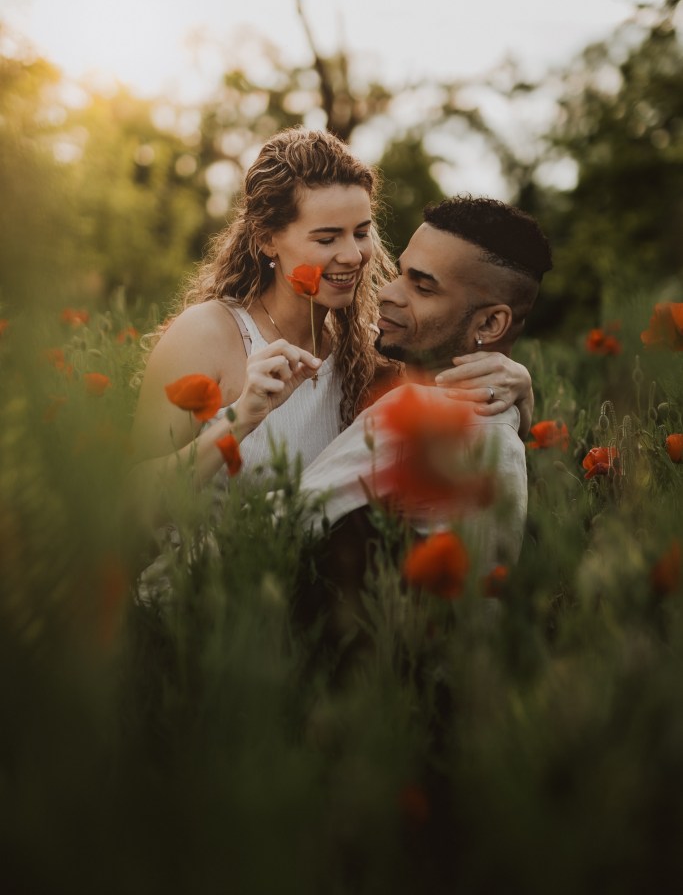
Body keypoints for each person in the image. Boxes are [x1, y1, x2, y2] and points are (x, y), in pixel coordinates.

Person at [127, 129, 533, 530]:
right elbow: (130, 503)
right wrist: (239, 418)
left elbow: (458, 431)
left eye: (361, 233)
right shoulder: (209, 333)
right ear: (268, 239)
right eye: (327, 239)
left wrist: (522, 391)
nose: (353, 255)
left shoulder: (365, 348)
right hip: (197, 584)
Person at [291, 196, 552, 663]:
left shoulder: (422, 418)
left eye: (423, 287)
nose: (388, 293)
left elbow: (282, 523)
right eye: (400, 272)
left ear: (491, 323)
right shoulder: (497, 419)